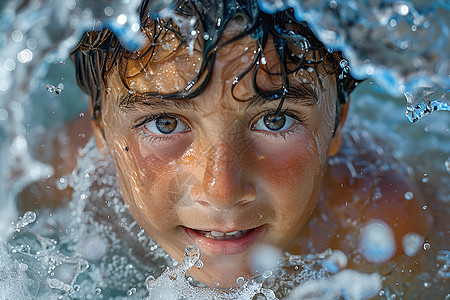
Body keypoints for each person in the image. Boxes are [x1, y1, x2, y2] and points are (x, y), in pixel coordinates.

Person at [69, 0, 431, 288]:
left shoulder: (385, 236)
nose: (222, 190)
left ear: (337, 123)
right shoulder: (52, 182)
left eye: (275, 120)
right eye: (165, 124)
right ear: (102, 128)